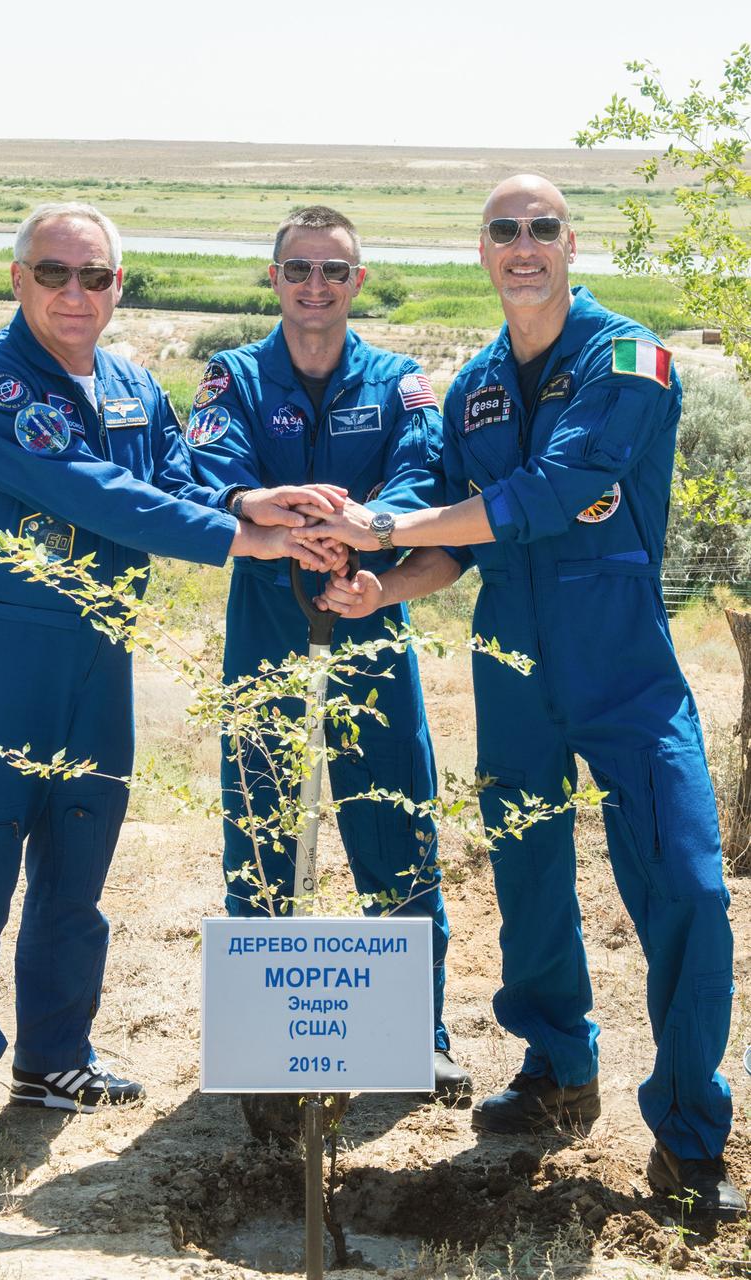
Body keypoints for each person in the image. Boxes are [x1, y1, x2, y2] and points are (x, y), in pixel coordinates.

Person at [298, 176, 745, 1215]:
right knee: (528, 862)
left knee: (690, 886)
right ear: (484, 252)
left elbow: (548, 493)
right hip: (510, 661)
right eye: (503, 230)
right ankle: (556, 1067)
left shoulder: (630, 359)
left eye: (541, 227)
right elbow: (454, 546)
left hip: (622, 655)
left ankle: (686, 1132)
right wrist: (380, 584)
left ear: (569, 243)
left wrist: (389, 530)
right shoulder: (473, 391)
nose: (523, 245)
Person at [0, 202, 342, 1143]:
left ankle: (52, 1057)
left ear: (119, 285)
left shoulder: (128, 383)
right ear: (17, 278)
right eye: (54, 273)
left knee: (78, 867)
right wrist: (252, 540)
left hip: (96, 653)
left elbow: (171, 478)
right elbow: (96, 493)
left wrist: (246, 497)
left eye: (97, 276)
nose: (77, 293)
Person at [185, 206, 470, 1097]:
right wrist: (268, 508)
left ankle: (417, 1031)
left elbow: (427, 478)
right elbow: (203, 471)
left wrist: (361, 542)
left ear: (358, 280)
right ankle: (265, 1043)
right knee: (261, 815)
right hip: (265, 623)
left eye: (334, 271)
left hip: (368, 617)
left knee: (394, 817)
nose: (316, 286)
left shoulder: (398, 381)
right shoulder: (231, 376)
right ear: (273, 278)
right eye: (299, 269)